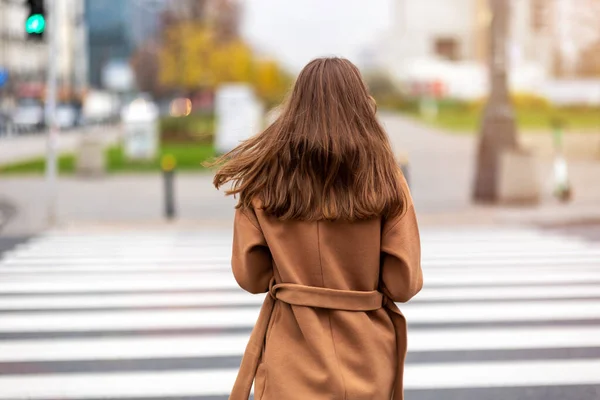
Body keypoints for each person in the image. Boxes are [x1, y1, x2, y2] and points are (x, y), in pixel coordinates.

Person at [211, 57, 423, 400]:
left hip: (290, 357)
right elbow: (402, 282)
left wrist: (293, 274)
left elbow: (250, 275)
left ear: (295, 107)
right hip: (367, 358)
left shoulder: (265, 181)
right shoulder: (385, 178)